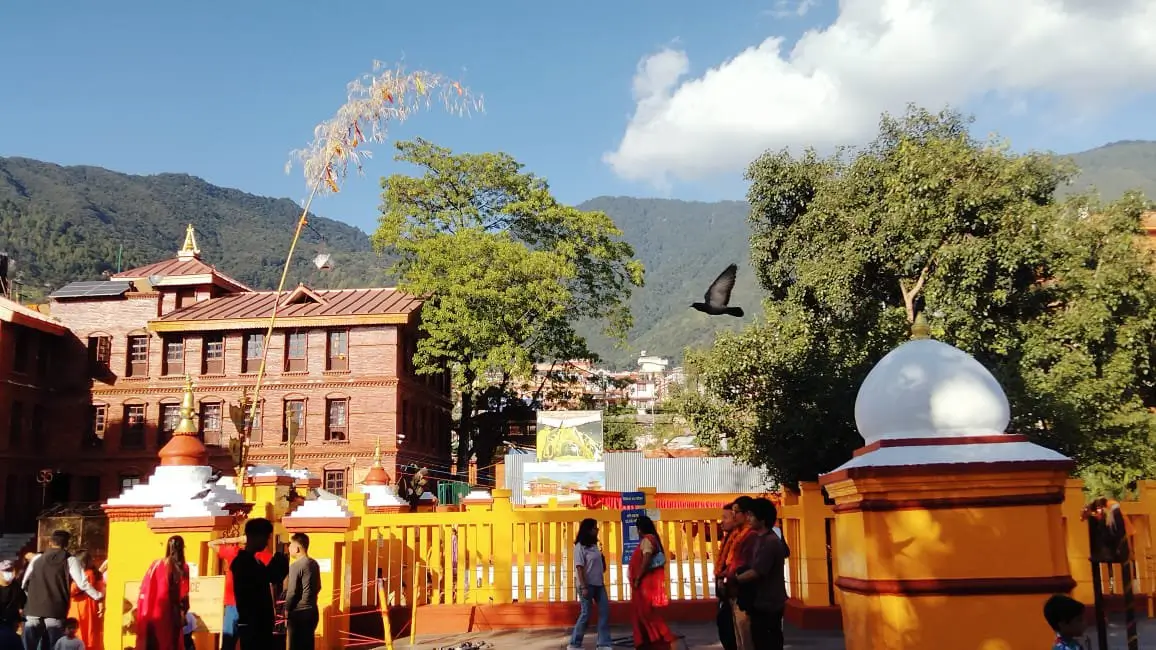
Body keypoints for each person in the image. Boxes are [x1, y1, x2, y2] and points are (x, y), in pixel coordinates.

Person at [22, 531, 103, 650]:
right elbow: (83, 584)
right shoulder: (70, 560)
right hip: (55, 611)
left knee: (30, 646)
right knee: (56, 645)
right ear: (67, 544)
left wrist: (32, 598)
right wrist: (98, 596)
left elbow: (24, 582)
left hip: (33, 609)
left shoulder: (37, 558)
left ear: (50, 542)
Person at [728, 498, 788, 650]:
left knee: (766, 642)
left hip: (769, 602)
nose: (749, 518)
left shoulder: (770, 542)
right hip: (759, 601)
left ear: (762, 519)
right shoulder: (759, 538)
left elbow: (756, 572)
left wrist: (735, 579)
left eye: (752, 516)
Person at [230, 518, 290, 650]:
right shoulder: (242, 563)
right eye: (266, 537)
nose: (267, 542)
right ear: (255, 536)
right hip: (252, 623)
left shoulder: (255, 562)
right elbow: (262, 579)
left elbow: (271, 577)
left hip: (262, 623)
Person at [208, 534, 274, 650]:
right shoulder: (234, 552)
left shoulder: (263, 556)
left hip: (251, 606)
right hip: (234, 605)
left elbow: (269, 583)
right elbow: (210, 544)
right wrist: (237, 540)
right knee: (229, 641)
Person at [629, 515, 677, 650]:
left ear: (640, 529)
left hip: (645, 583)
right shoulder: (652, 539)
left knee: (646, 612)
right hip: (645, 582)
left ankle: (663, 636)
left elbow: (646, 560)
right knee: (643, 612)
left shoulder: (647, 540)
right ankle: (649, 639)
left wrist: (638, 577)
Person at [137, 536, 190, 650]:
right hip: (173, 613)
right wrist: (183, 611)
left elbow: (146, 587)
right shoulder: (184, 568)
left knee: (157, 642)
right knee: (171, 642)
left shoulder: (157, 564)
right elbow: (184, 594)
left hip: (156, 611)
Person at [567, 519, 612, 650]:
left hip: (599, 584)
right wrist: (584, 586)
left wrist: (602, 558)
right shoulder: (580, 547)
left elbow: (601, 567)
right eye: (594, 528)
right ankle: (574, 643)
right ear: (588, 530)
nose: (597, 530)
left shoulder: (594, 546)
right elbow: (579, 568)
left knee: (604, 611)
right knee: (586, 613)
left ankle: (603, 643)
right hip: (586, 585)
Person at [724, 497, 755, 649]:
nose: (733, 516)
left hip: (746, 594)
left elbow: (750, 567)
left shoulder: (751, 536)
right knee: (740, 640)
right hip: (734, 592)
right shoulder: (736, 535)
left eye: (736, 512)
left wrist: (735, 578)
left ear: (747, 514)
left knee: (747, 638)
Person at [283, 533, 321, 650]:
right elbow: (318, 587)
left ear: (297, 548)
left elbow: (292, 592)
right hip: (312, 610)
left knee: (295, 645)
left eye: (290, 545)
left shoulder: (295, 566)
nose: (288, 548)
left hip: (298, 613)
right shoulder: (314, 564)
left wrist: (286, 609)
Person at [712, 504, 737, 650]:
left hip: (733, 592)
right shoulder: (728, 537)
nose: (722, 521)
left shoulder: (740, 538)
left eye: (725, 518)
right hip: (725, 593)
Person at [66, 552, 102, 650]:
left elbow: (72, 590)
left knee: (80, 631)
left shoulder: (86, 574)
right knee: (90, 632)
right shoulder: (95, 573)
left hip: (80, 606)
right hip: (90, 605)